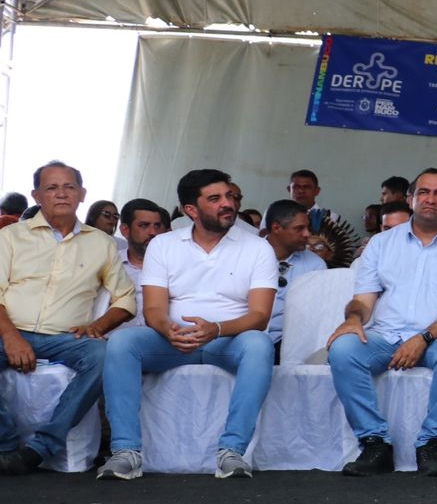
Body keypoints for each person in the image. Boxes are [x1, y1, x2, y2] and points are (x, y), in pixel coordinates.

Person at [98, 168, 276, 480]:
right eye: (215, 198)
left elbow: (260, 316)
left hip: (228, 339)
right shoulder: (164, 244)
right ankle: (126, 452)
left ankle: (232, 452)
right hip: (173, 340)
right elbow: (154, 308)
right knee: (123, 343)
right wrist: (168, 330)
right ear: (191, 210)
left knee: (260, 344)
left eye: (230, 197)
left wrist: (216, 329)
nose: (228, 204)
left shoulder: (258, 247)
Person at [326, 169, 437, 478]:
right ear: (411, 199)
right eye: (424, 192)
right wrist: (353, 319)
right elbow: (363, 300)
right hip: (386, 336)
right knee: (343, 349)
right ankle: (374, 443)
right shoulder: (381, 244)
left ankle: (432, 442)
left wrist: (422, 338)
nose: (431, 199)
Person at [0, 162, 136, 476]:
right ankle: (5, 445)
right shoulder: (10, 237)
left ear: (82, 193)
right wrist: (11, 337)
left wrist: (98, 326)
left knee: (105, 354)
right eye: (51, 188)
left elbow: (125, 299)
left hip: (66, 338)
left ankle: (39, 449)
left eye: (69, 187)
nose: (61, 193)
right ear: (36, 195)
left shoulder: (101, 243)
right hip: (8, 329)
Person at [261, 199, 328, 355]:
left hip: (293, 341)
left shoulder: (315, 265)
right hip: (247, 336)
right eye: (299, 229)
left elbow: (318, 316)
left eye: (307, 228)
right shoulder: (247, 256)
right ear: (276, 228)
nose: (307, 234)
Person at [118, 198, 171, 328]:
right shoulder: (110, 263)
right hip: (111, 342)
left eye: (157, 226)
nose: (153, 232)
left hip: (162, 342)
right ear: (125, 230)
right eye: (144, 225)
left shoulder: (175, 264)